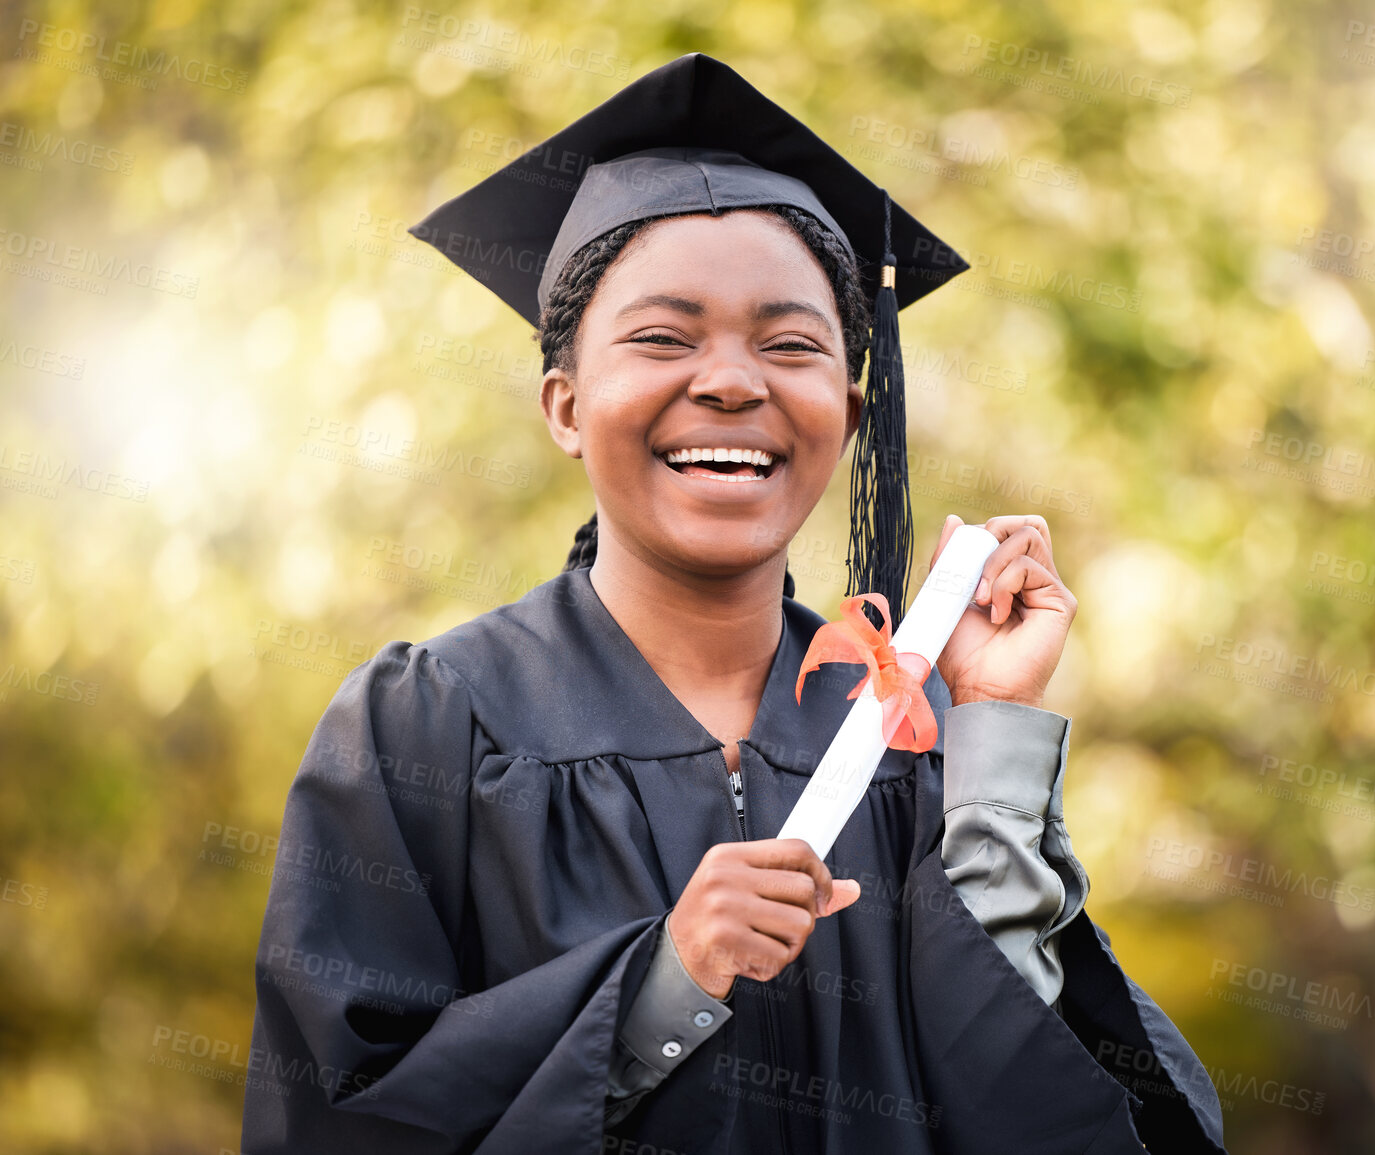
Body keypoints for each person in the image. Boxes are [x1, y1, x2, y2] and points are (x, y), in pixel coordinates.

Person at [241, 53, 1225, 1154]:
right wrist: (660, 988)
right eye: (663, 337)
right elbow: (338, 1118)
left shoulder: (918, 741)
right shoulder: (424, 726)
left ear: (851, 414)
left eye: (791, 343)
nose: (731, 381)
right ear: (565, 406)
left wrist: (991, 731)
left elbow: (1029, 1109)